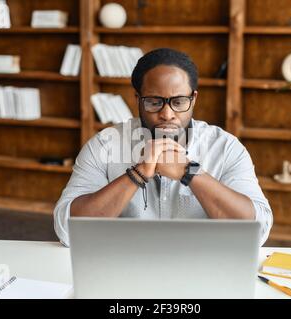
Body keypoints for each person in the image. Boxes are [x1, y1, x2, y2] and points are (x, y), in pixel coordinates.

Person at [54, 48, 273, 246]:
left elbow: (258, 230)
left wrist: (189, 172)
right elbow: (66, 229)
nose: (167, 114)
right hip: (124, 267)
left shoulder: (226, 148)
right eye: (154, 102)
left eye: (178, 102)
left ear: (193, 99)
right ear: (138, 99)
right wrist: (138, 174)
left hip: (202, 268)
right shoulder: (104, 145)